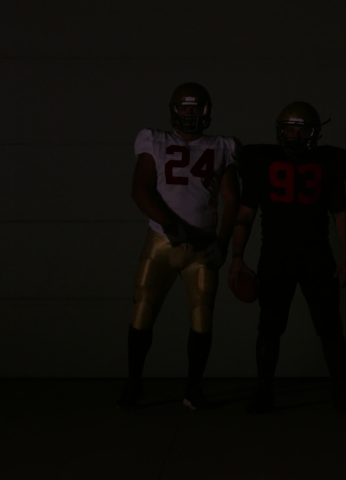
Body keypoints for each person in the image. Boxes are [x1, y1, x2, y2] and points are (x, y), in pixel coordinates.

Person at [227, 101, 346, 414]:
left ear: (315, 132)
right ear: (280, 130)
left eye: (302, 129)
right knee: (269, 328)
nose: (295, 135)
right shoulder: (263, 161)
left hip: (316, 254)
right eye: (290, 129)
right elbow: (245, 213)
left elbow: (340, 213)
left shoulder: (326, 162)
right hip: (277, 254)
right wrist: (237, 256)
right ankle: (263, 391)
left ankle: (340, 392)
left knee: (330, 327)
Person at [117, 82, 240, 410]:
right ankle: (133, 383)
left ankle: (193, 389)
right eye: (184, 106)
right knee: (143, 310)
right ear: (174, 109)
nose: (189, 112)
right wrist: (170, 225)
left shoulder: (222, 146)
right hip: (161, 240)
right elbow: (140, 189)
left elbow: (232, 200)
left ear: (206, 110)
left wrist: (223, 242)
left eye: (195, 107)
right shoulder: (154, 140)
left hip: (202, 246)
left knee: (202, 317)